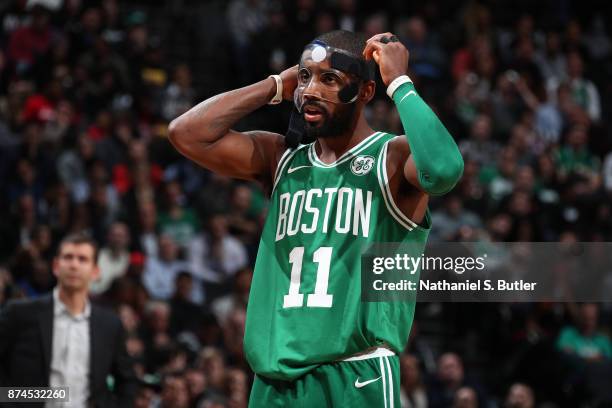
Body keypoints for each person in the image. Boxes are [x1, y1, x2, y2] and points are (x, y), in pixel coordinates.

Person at [169, 30, 463, 407]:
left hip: (355, 375)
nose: (310, 90)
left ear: (366, 92)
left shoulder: (389, 158)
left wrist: (400, 84)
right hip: (274, 382)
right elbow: (186, 133)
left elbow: (443, 169)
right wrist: (277, 83)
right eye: (306, 77)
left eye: (329, 80)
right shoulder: (282, 158)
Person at [0, 232, 137, 407]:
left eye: (82, 259)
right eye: (68, 257)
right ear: (56, 266)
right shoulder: (20, 313)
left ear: (96, 271)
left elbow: (127, 380)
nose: (74, 265)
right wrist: (17, 400)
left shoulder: (109, 325)